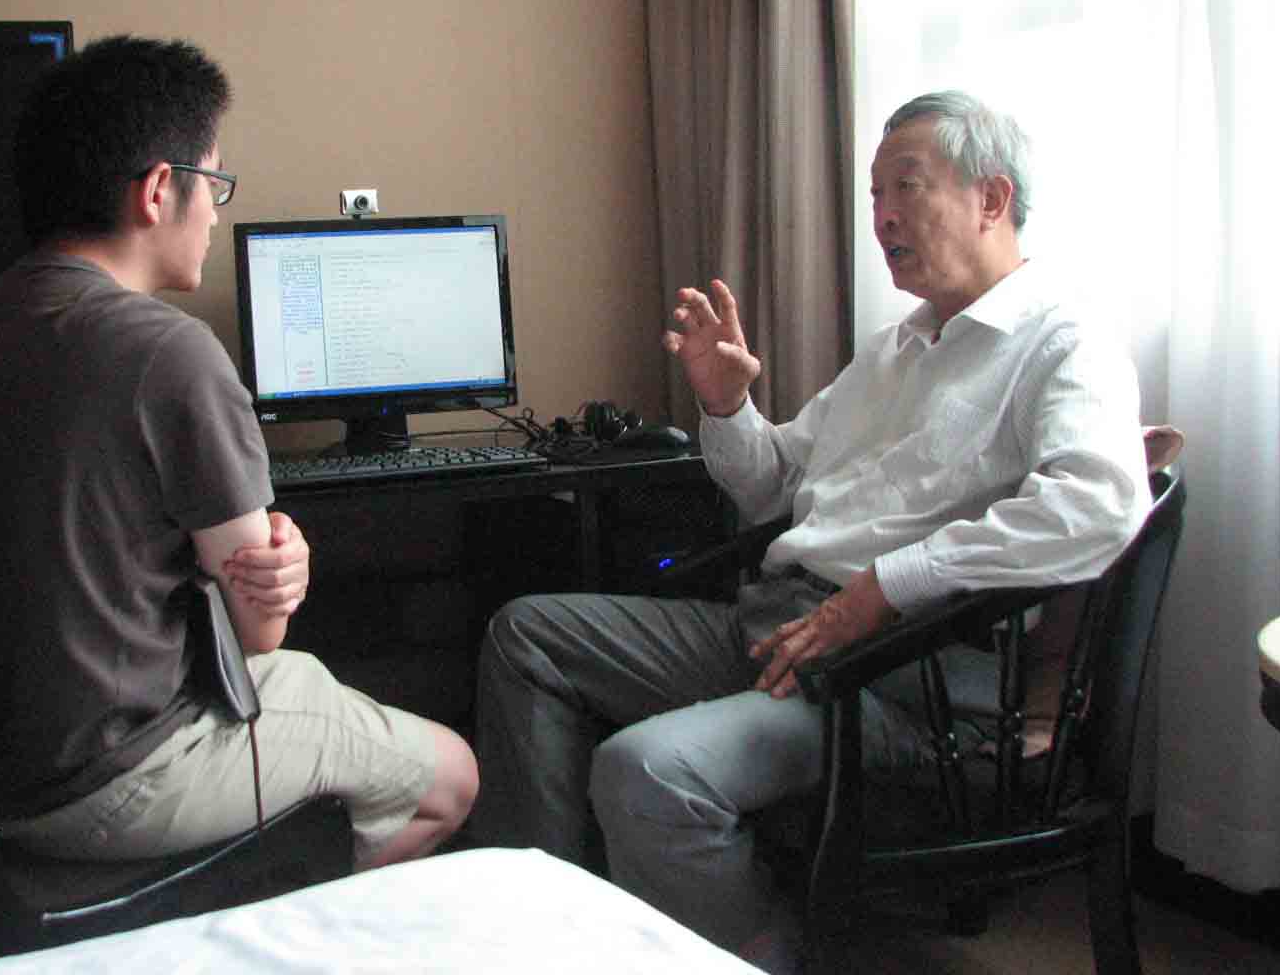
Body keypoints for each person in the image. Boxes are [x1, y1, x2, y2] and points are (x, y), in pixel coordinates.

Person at [467, 91, 1150, 957]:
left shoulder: (1062, 341)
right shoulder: (897, 348)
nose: (883, 217)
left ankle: (757, 954)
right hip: (784, 624)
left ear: (992, 199)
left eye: (907, 188)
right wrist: (728, 406)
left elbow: (1098, 502)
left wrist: (888, 586)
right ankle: (543, 924)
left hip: (897, 673)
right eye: (874, 195)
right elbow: (775, 486)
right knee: (528, 634)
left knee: (646, 771)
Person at [0, 34, 476, 871]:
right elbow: (258, 633)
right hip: (115, 777)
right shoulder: (168, 353)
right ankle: (250, 918)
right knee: (451, 778)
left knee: (311, 690)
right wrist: (280, 574)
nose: (215, 211)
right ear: (157, 190)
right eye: (213, 183)